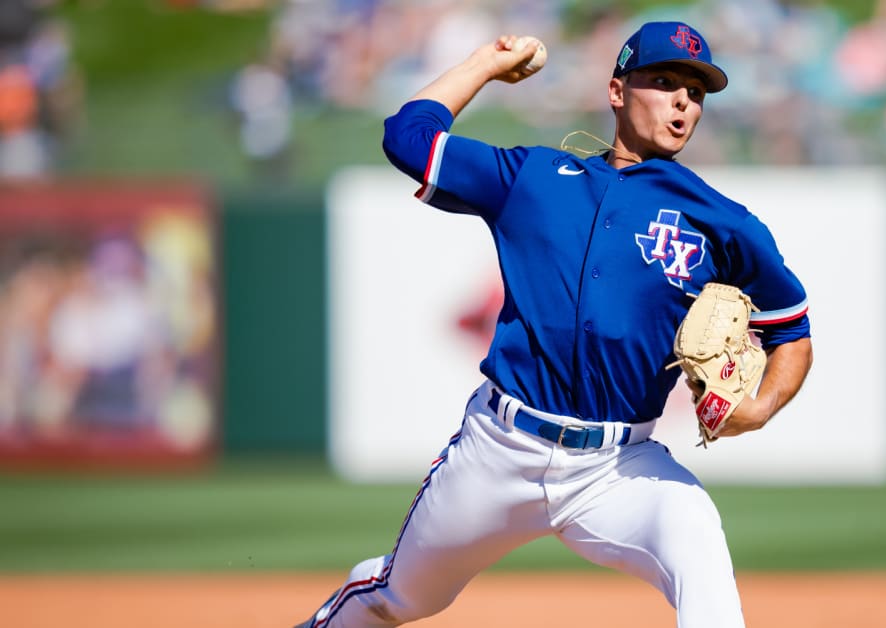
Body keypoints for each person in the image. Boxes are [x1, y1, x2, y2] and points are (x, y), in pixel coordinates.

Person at [298, 20, 814, 628]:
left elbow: (792, 329)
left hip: (619, 467)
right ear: (617, 91)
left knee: (697, 537)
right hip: (499, 450)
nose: (682, 100)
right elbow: (408, 138)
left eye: (696, 92)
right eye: (665, 80)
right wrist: (487, 64)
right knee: (399, 599)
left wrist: (759, 406)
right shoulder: (535, 179)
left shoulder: (724, 221)